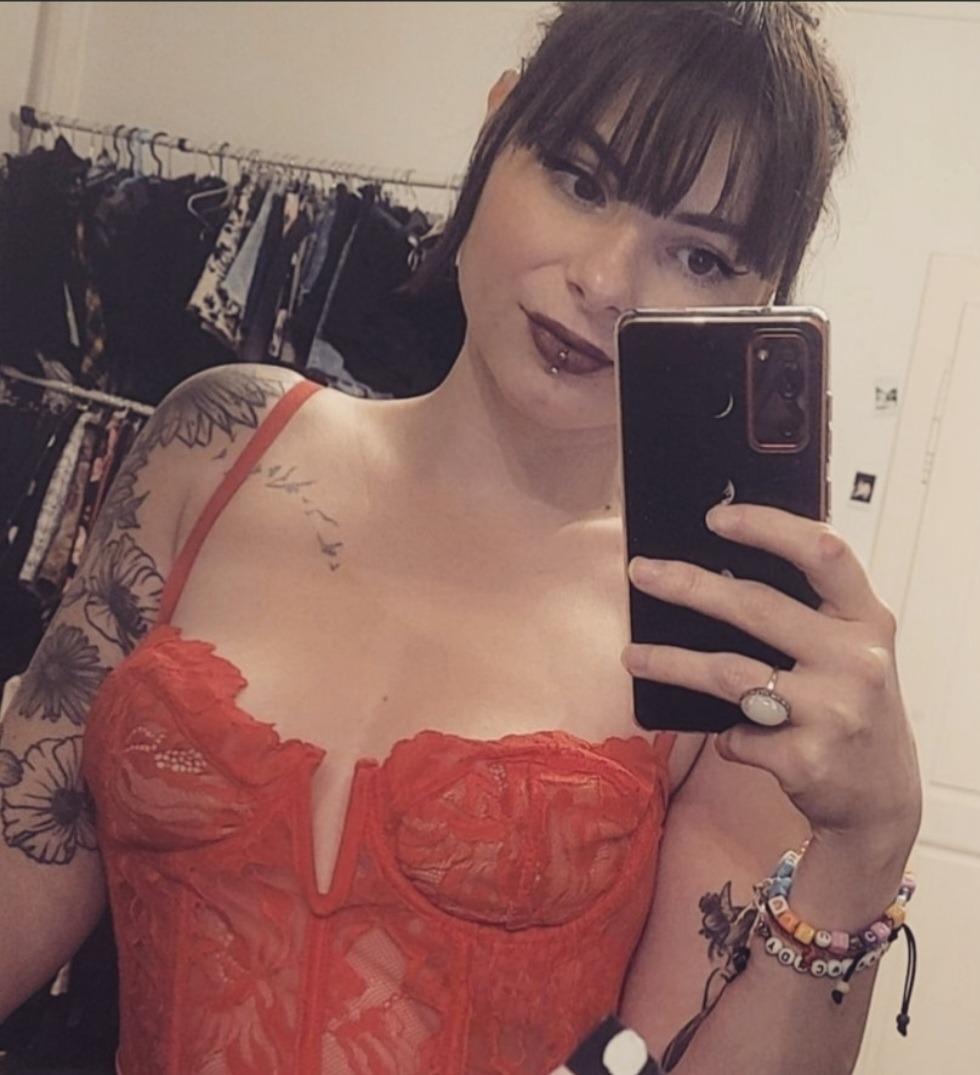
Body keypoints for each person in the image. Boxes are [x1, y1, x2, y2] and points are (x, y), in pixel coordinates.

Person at [0, 3, 922, 1073]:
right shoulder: (217, 449)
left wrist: (868, 845)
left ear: (763, 299)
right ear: (497, 127)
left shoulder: (715, 626)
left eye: (702, 257)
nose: (606, 282)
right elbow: (26, 861)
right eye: (581, 180)